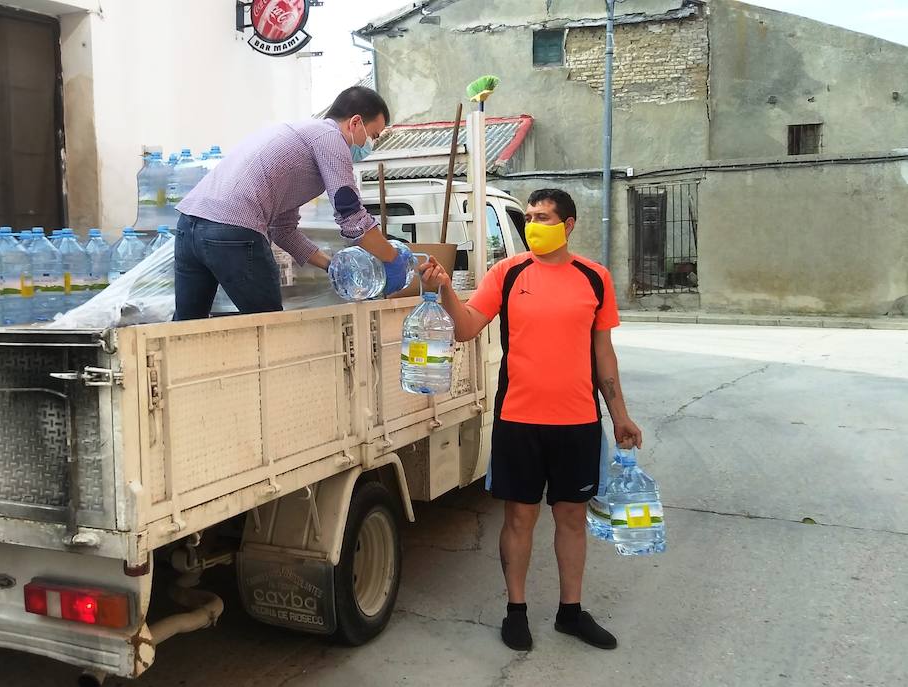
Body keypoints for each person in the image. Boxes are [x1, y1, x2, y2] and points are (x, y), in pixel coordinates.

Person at [435, 189, 644, 652]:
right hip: (519, 419)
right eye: (528, 216)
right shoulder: (508, 273)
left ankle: (571, 612)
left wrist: (621, 417)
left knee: (571, 518)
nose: (532, 225)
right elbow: (468, 326)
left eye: (542, 217)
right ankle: (516, 612)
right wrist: (446, 291)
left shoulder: (595, 278)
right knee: (519, 518)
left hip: (578, 422)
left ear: (567, 225)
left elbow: (603, 353)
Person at [172, 86, 416, 320]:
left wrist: (331, 266)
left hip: (187, 227)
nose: (370, 145)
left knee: (187, 327)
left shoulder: (299, 135)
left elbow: (283, 230)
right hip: (233, 230)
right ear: (355, 123)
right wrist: (392, 258)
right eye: (373, 136)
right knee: (269, 327)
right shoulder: (330, 137)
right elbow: (351, 215)